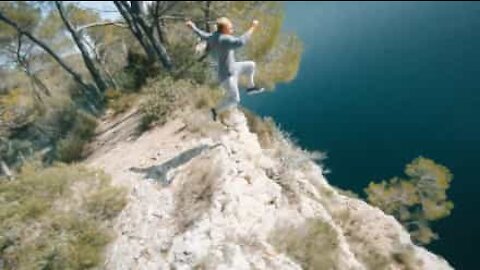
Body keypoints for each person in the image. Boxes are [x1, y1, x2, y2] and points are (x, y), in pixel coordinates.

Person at [186, 17, 264, 121]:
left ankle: (250, 87)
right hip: (227, 76)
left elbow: (202, 34)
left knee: (251, 65)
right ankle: (215, 111)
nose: (232, 29)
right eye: (230, 28)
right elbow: (241, 42)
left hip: (234, 67)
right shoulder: (224, 39)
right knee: (235, 99)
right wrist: (253, 27)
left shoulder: (213, 36)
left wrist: (193, 27)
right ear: (224, 29)